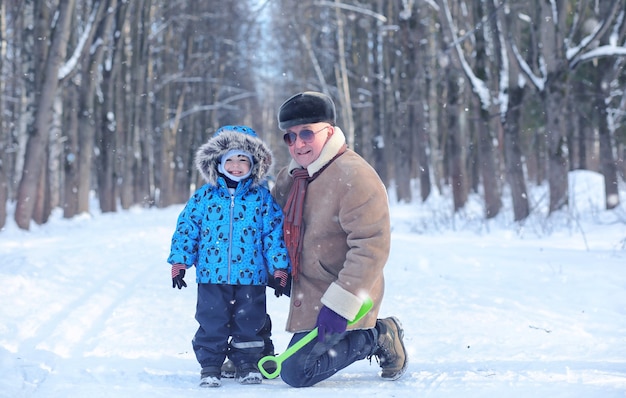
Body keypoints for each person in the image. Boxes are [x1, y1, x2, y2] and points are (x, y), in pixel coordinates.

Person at [270, 91, 408, 387]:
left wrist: (340, 305)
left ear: (329, 132)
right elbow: (268, 222)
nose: (298, 144)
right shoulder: (291, 177)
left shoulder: (355, 176)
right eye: (290, 137)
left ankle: (379, 335)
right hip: (309, 292)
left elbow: (370, 248)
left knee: (298, 371)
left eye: (306, 133)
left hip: (347, 294)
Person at [167, 125, 290, 388]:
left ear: (253, 163)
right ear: (217, 162)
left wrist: (279, 268)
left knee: (250, 320)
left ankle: (247, 363)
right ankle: (210, 364)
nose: (236, 166)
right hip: (212, 274)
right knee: (212, 320)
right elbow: (187, 229)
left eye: (242, 159)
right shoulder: (204, 196)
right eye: (230, 160)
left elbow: (273, 235)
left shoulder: (261, 199)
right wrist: (180, 261)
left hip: (251, 275)